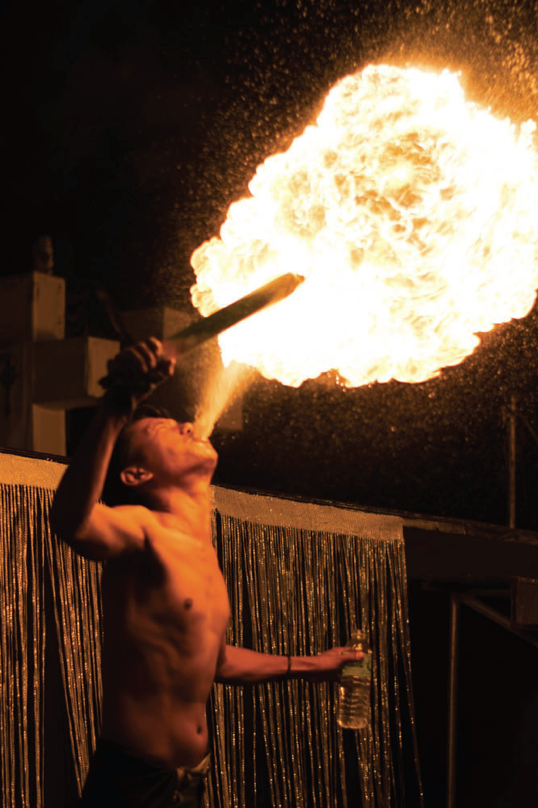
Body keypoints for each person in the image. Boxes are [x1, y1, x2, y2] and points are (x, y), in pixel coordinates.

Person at [50, 337, 363, 808]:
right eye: (162, 431)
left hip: (192, 782)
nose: (184, 424)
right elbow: (73, 521)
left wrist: (311, 665)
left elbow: (214, 662)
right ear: (136, 475)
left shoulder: (204, 554)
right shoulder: (143, 531)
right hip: (134, 784)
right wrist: (118, 405)